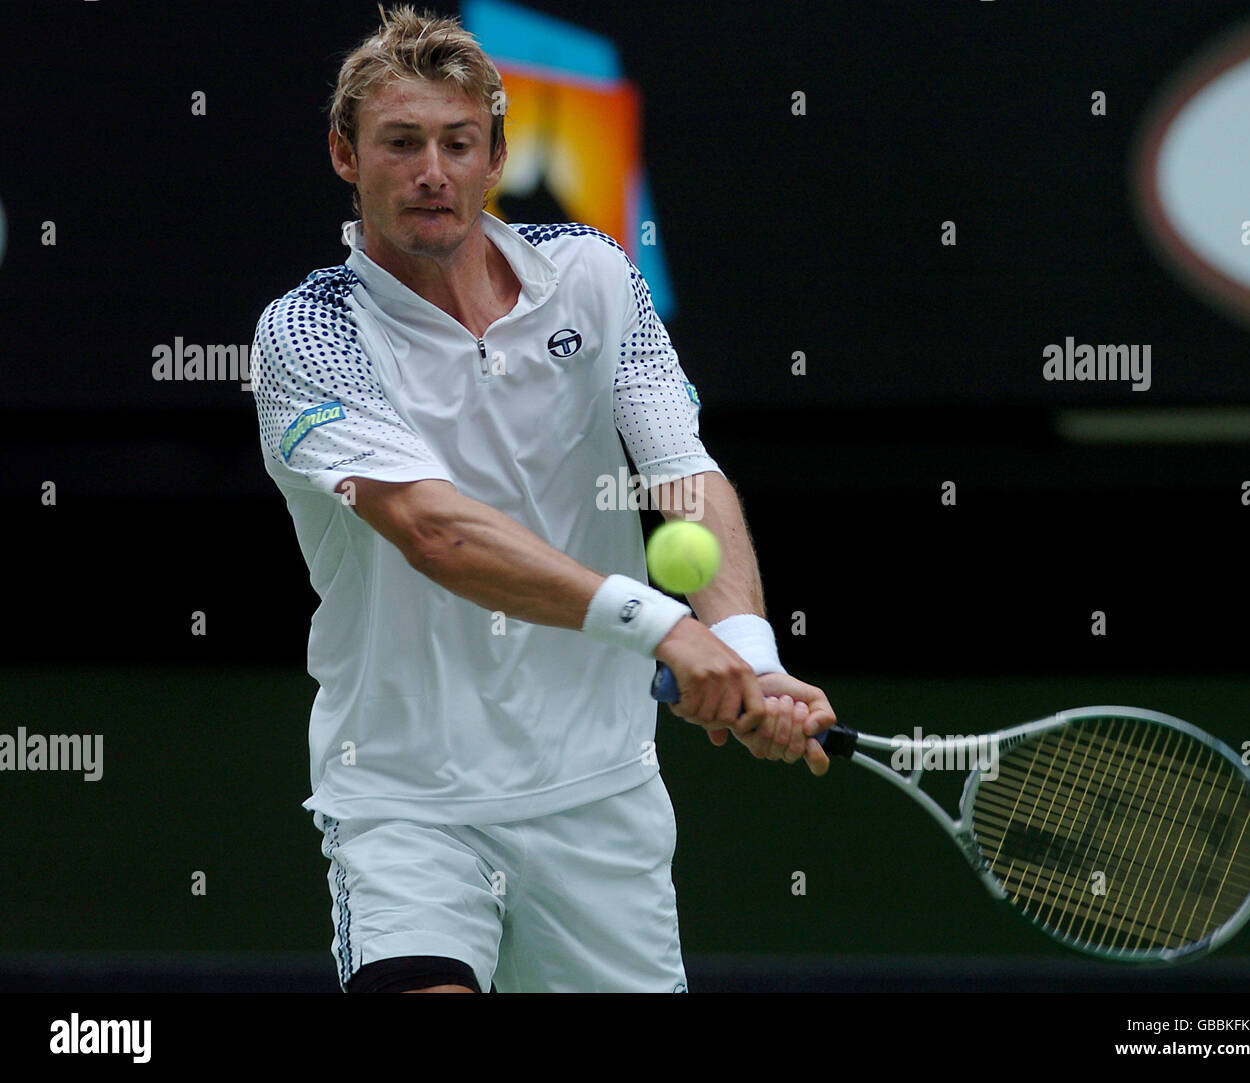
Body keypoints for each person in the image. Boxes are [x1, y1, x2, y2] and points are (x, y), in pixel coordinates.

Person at [251, 5, 837, 993]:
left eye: (456, 143)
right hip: (407, 804)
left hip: (598, 804)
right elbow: (435, 533)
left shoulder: (596, 277)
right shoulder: (309, 333)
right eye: (399, 143)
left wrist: (744, 653)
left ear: (496, 157)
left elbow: (679, 469)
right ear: (346, 159)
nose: (431, 170)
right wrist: (661, 628)